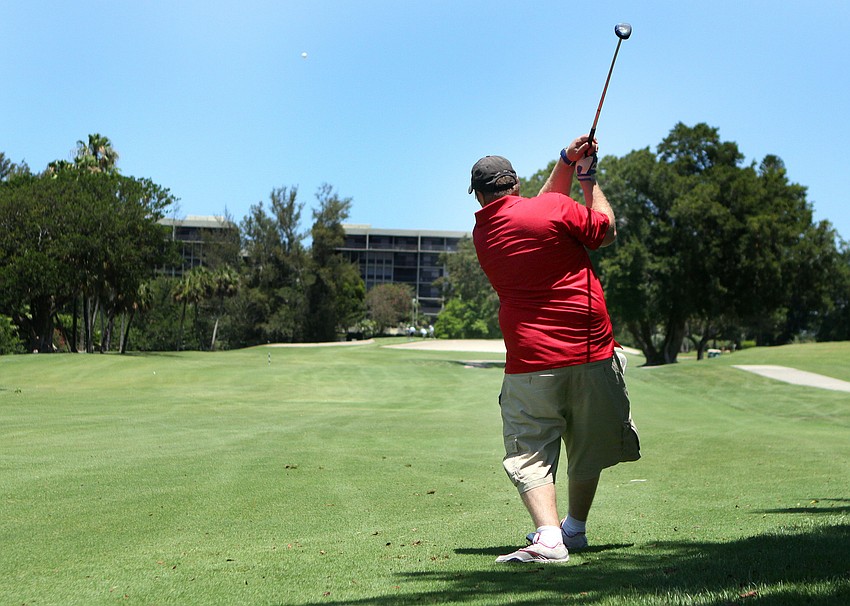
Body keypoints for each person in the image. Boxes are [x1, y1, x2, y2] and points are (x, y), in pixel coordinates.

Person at [468, 135, 640, 564]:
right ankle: (575, 530)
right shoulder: (551, 209)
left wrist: (566, 162)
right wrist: (588, 179)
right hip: (591, 351)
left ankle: (550, 537)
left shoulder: (484, 231)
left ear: (480, 195)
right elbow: (605, 228)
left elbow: (539, 212)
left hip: (530, 361)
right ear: (516, 184)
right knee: (587, 445)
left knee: (530, 447)